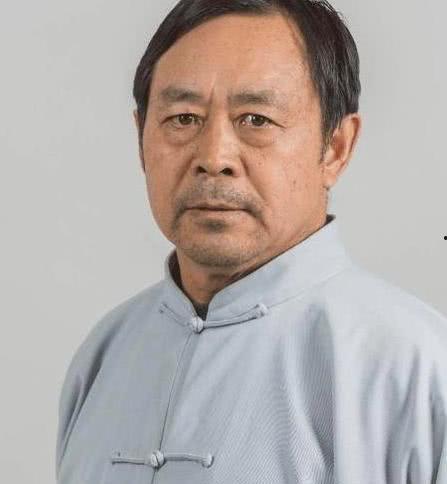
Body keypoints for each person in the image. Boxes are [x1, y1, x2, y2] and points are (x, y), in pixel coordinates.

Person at [55, 1, 447, 483]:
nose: (214, 156)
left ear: (335, 147)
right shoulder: (105, 354)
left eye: (256, 119)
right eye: (183, 118)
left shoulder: (419, 370)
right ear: (141, 138)